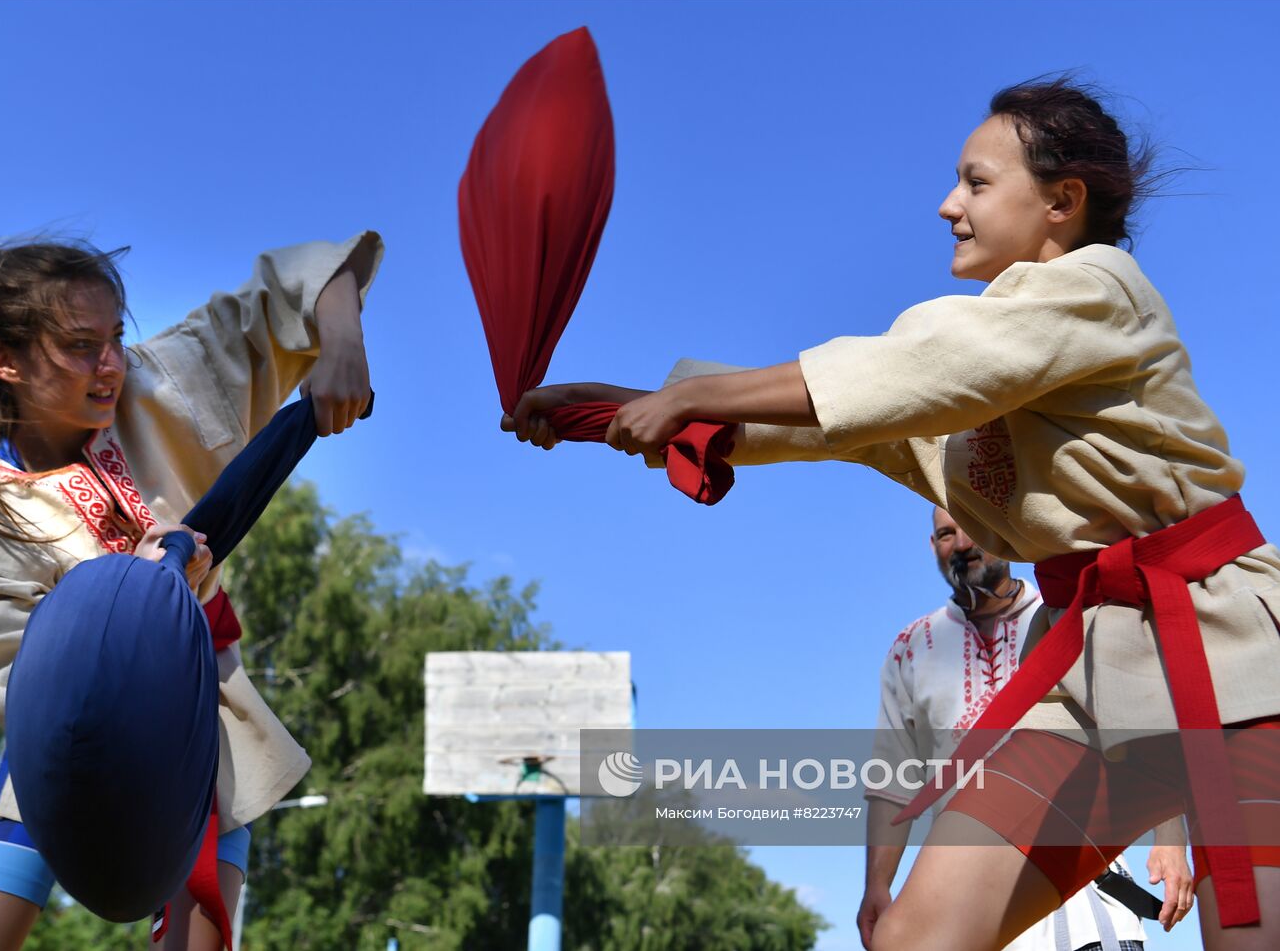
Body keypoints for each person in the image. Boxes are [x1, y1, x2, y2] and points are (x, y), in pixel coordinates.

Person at [504, 78, 1280, 950]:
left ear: (1063, 201)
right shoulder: (985, 371)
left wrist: (692, 392)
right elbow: (862, 425)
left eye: (977, 183)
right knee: (917, 938)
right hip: (1090, 675)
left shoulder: (1100, 288)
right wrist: (627, 405)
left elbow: (917, 367)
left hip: (1226, 659)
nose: (949, 204)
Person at [0, 232, 382, 951]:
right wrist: (136, 597)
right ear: (5, 361)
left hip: (200, 720)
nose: (109, 365)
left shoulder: (163, 384)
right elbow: (27, 684)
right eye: (78, 346)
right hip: (66, 744)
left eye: (115, 339)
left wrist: (341, 343)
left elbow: (307, 276)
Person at [859, 507, 1192, 951]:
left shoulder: (1069, 607)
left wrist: (1171, 840)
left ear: (1003, 530)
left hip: (1085, 887)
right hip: (965, 899)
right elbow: (894, 777)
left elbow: (1143, 712)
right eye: (944, 535)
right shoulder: (911, 646)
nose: (960, 544)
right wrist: (878, 883)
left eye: (972, 527)